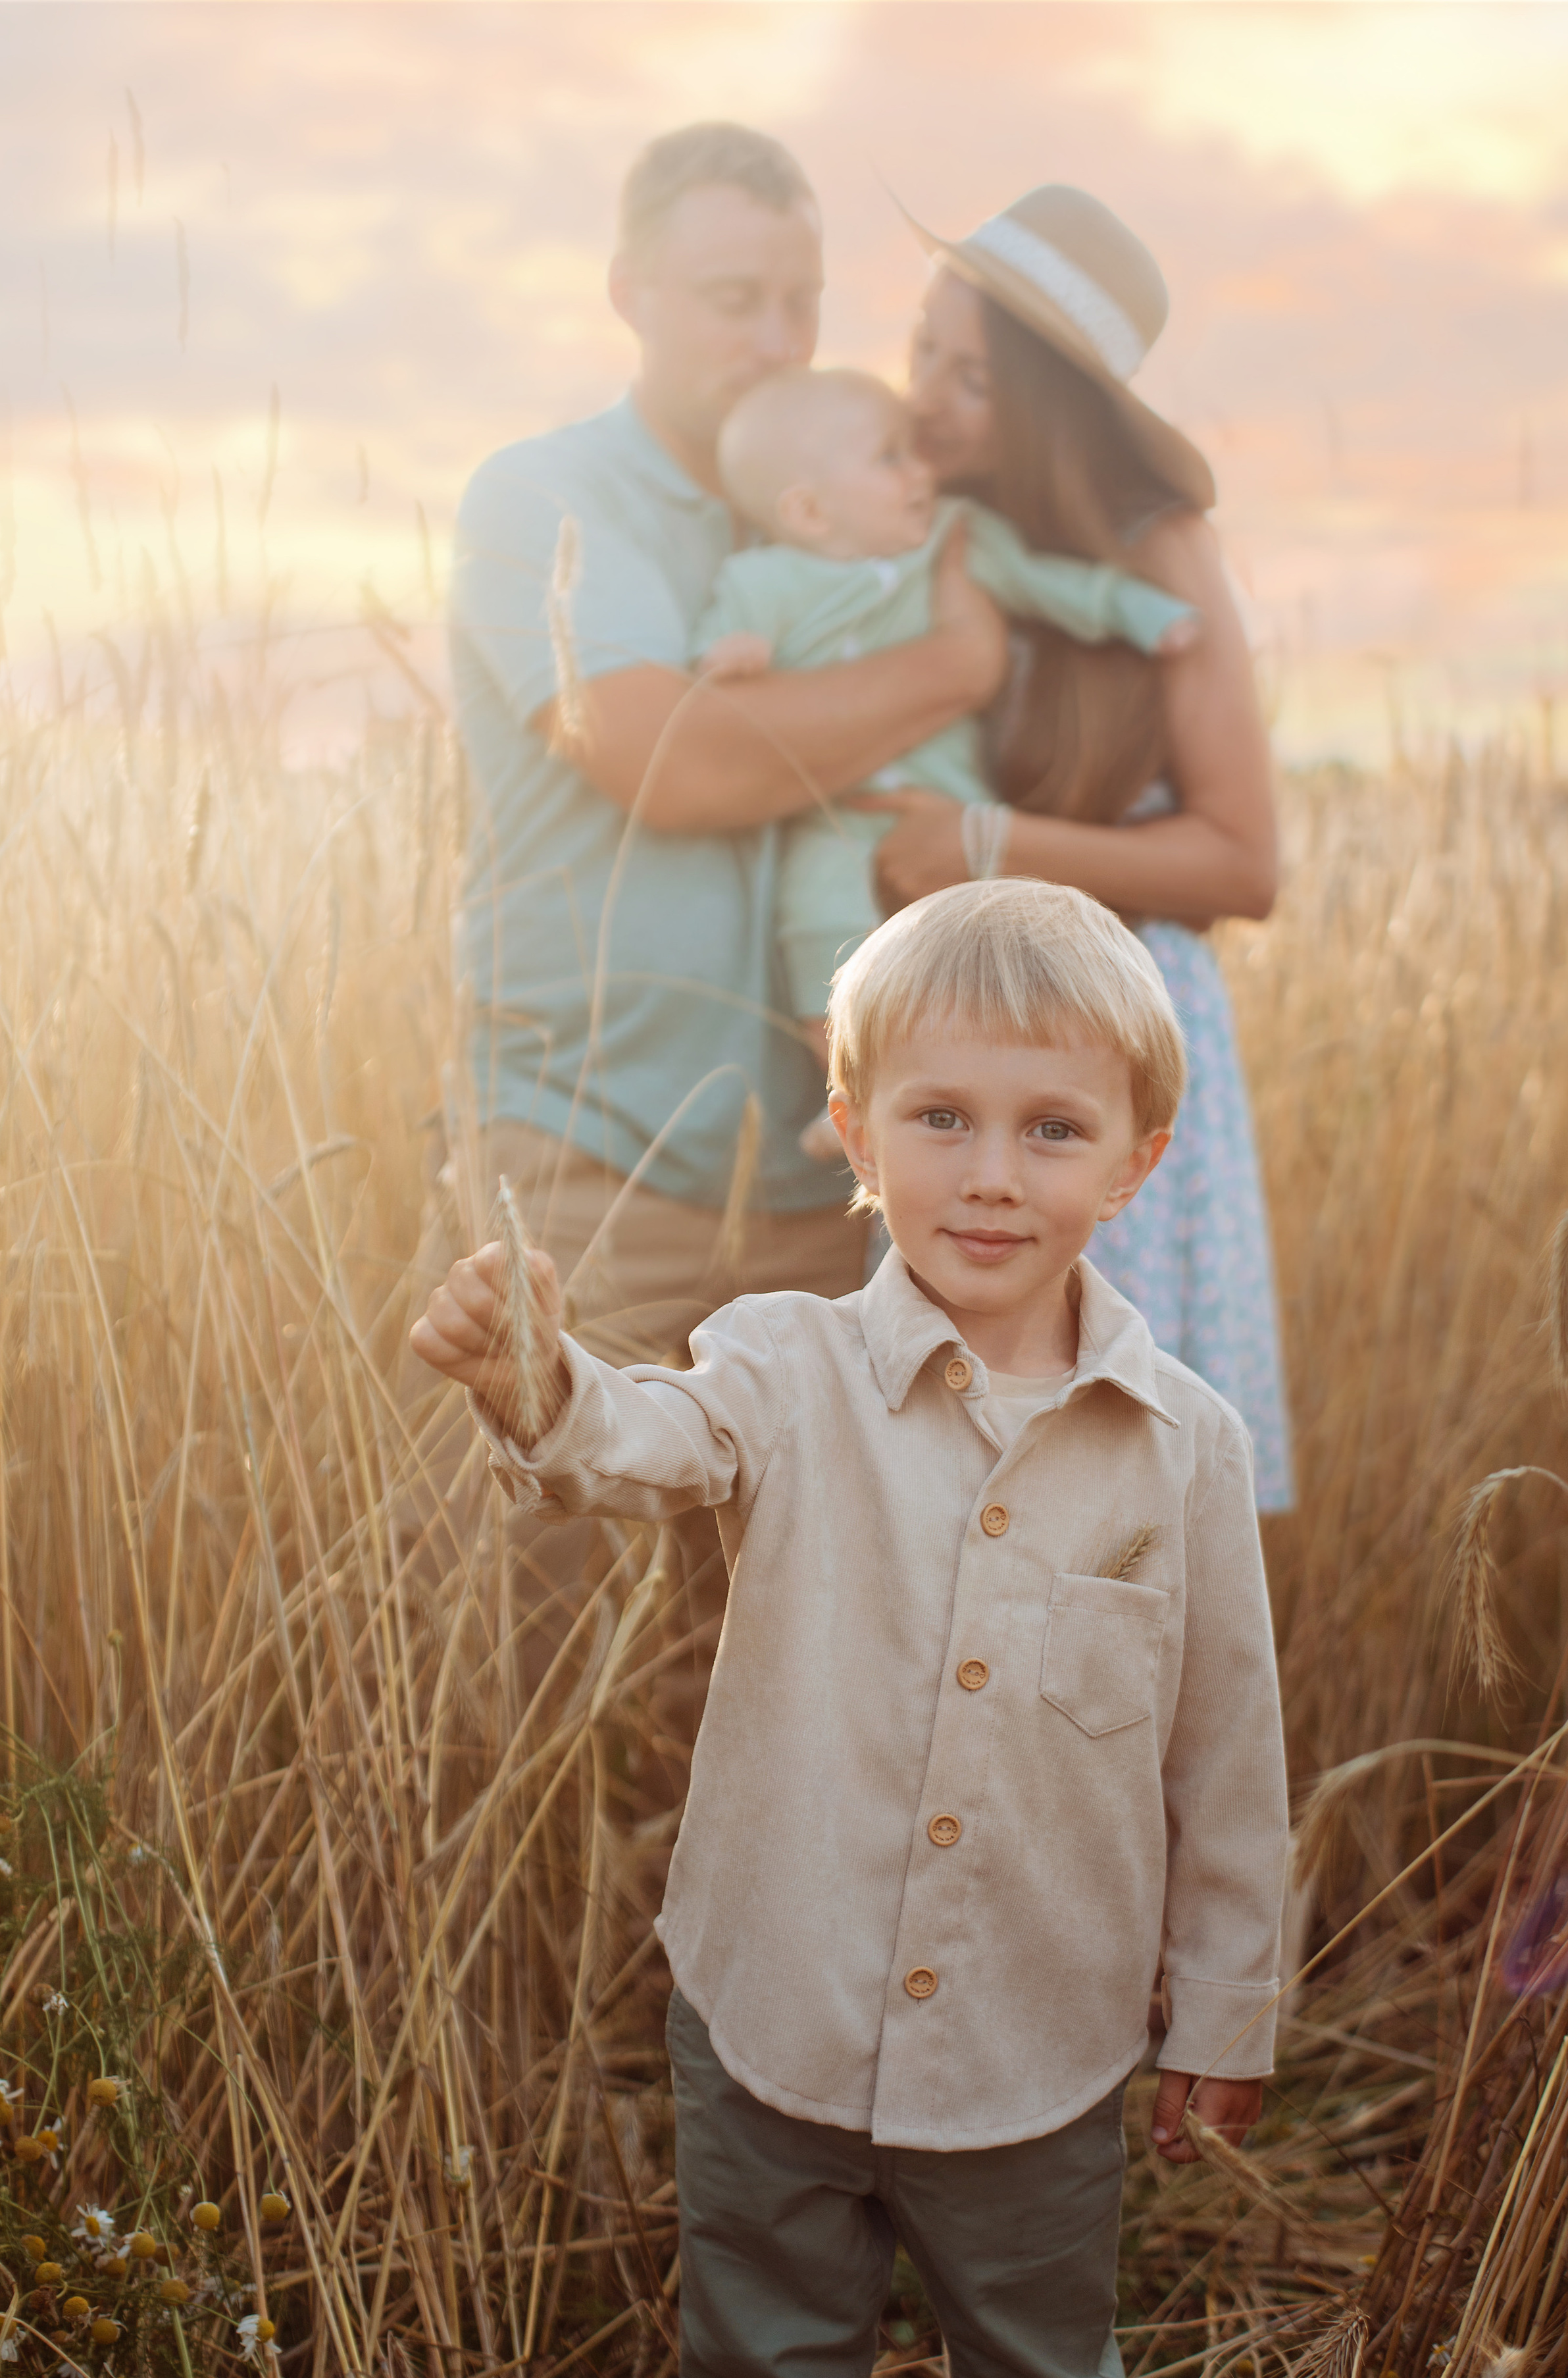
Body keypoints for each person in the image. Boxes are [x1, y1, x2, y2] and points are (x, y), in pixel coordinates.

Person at [409, 878, 1290, 2378]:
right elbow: (647, 1435)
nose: (986, 1172)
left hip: (1039, 2045)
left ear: (1134, 1160)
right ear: (851, 1129)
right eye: (938, 1116)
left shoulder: (1184, 1450)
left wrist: (1227, 2004)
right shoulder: (784, 1363)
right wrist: (537, 1380)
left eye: (1048, 1129)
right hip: (772, 2013)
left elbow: (1225, 1754)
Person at [393, 122, 1008, 1581]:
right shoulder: (545, 500)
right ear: (629, 291)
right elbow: (666, 761)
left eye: (801, 299)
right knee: (543, 1662)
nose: (779, 335)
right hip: (593, 1172)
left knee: (769, 1670)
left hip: (824, 1203)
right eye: (734, 295)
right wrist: (948, 666)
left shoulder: (840, 504)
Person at [886, 184, 1295, 1510]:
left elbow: (1241, 861)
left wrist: (989, 845)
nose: (929, 400)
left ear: (1053, 407)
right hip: (963, 1036)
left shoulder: (1155, 549)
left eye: (975, 382)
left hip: (1115, 1030)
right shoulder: (917, 528)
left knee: (1120, 1487)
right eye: (921, 356)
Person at [693, 363, 1196, 1114]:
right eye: (890, 457)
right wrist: (731, 652)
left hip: (948, 800)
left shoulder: (953, 543)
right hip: (834, 817)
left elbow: (1045, 582)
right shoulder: (762, 580)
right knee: (817, 925)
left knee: (968, 956)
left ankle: (964, 1100)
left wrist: (1142, 613)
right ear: (807, 512)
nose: (920, 469)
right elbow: (724, 644)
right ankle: (852, 1098)